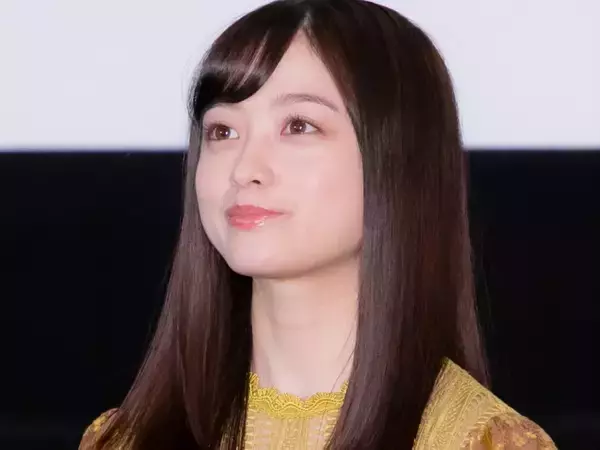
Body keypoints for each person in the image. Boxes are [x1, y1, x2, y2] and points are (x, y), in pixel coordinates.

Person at [80, 0, 556, 448]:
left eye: (298, 126)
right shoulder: (122, 440)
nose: (245, 168)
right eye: (222, 131)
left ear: (397, 160)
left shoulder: (480, 440)